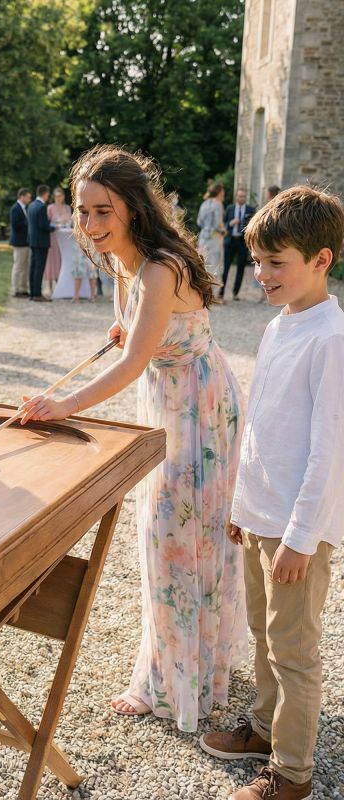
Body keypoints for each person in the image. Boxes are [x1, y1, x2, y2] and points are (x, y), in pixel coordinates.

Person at [19, 145, 245, 732]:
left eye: (102, 212)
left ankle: (174, 682)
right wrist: (129, 324)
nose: (90, 227)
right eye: (83, 212)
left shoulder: (158, 267)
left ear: (132, 207)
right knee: (173, 536)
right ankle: (187, 665)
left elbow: (133, 361)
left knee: (176, 537)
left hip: (197, 410)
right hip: (169, 400)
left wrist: (63, 404)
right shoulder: (128, 263)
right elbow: (142, 337)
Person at [200, 186, 344, 800]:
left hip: (295, 533)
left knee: (293, 651)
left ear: (321, 260)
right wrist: (240, 506)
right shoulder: (279, 324)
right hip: (260, 516)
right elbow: (259, 423)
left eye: (275, 263)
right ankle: (263, 726)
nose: (260, 274)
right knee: (263, 635)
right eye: (256, 261)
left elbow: (328, 450)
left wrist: (300, 537)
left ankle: (291, 771)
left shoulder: (331, 338)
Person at [220, 187, 256, 302]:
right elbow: (223, 224)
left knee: (241, 268)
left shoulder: (250, 209)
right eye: (240, 196)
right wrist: (231, 223)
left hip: (242, 242)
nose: (242, 198)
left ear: (246, 197)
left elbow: (254, 225)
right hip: (230, 241)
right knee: (226, 268)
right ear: (236, 197)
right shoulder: (230, 208)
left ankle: (236, 293)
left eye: (244, 196)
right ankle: (221, 292)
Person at [27, 184, 55, 301]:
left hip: (32, 240)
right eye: (48, 194)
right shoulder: (42, 206)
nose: (48, 196)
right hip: (41, 241)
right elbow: (43, 225)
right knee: (39, 267)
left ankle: (33, 293)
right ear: (44, 193)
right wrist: (53, 227)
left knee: (33, 267)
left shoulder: (31, 205)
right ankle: (38, 294)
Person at [43, 187, 71, 294]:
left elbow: (70, 221)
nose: (59, 198)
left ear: (63, 196)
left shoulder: (67, 208)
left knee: (62, 260)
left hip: (65, 238)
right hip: (53, 238)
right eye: (57, 196)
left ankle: (61, 286)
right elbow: (47, 223)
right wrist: (57, 222)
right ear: (54, 197)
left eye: (60, 196)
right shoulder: (50, 208)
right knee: (51, 261)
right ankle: (49, 286)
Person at [197, 183, 226, 277]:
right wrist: (223, 230)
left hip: (203, 237)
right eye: (222, 191)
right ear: (219, 192)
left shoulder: (204, 203)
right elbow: (218, 223)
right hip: (214, 237)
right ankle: (211, 289)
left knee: (203, 262)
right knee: (214, 265)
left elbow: (199, 222)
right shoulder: (218, 203)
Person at [9, 188, 31, 297]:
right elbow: (15, 225)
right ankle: (15, 289)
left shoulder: (26, 208)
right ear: (21, 197)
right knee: (18, 266)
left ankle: (23, 289)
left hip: (26, 243)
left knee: (26, 267)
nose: (29, 199)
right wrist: (28, 221)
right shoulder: (15, 208)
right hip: (18, 243)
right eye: (28, 197)